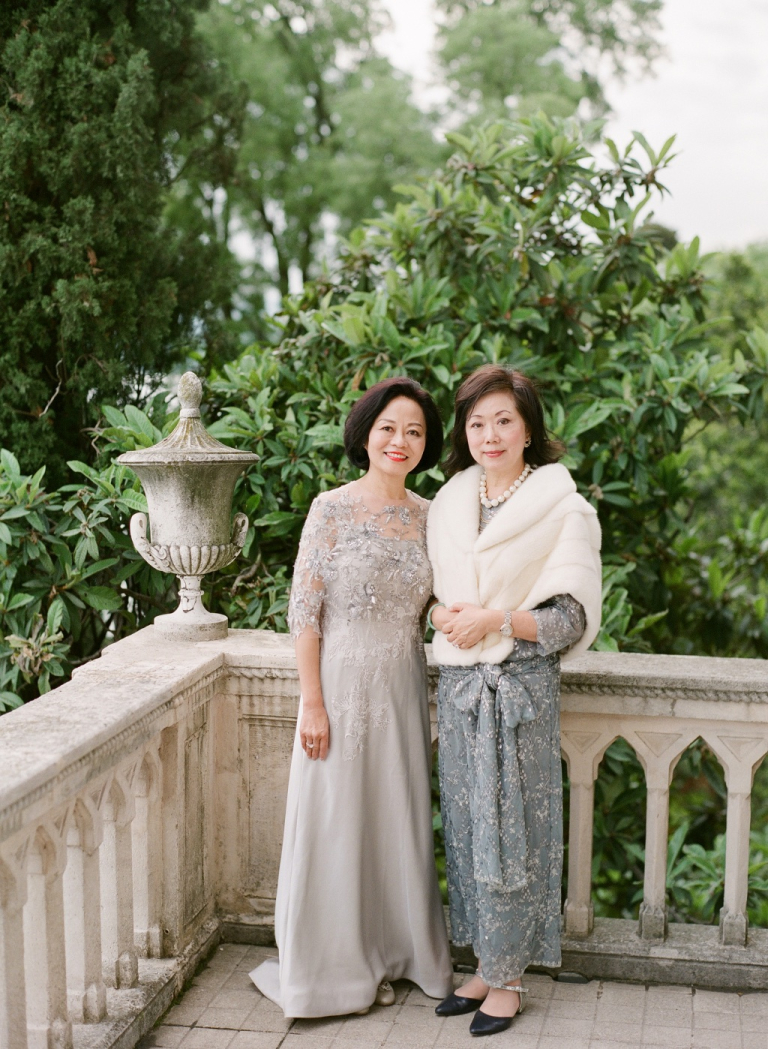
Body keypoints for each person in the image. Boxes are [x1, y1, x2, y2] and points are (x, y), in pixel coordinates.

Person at [250, 377, 454, 1018]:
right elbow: (303, 613)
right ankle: (331, 969)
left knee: (394, 819)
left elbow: (445, 599)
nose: (401, 441)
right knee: (335, 818)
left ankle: (398, 951)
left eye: (415, 432)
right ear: (366, 434)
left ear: (426, 444)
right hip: (336, 688)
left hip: (401, 686)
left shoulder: (433, 517)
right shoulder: (330, 508)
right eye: (389, 428)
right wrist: (311, 702)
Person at [426, 365, 602, 1037]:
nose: (490, 434)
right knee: (468, 828)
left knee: (515, 831)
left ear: (528, 428)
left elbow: (569, 619)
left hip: (520, 692)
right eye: (476, 423)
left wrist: (495, 620)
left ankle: (510, 980)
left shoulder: (563, 507)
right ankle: (484, 964)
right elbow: (437, 595)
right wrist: (446, 616)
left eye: (503, 420)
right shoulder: (450, 502)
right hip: (461, 691)